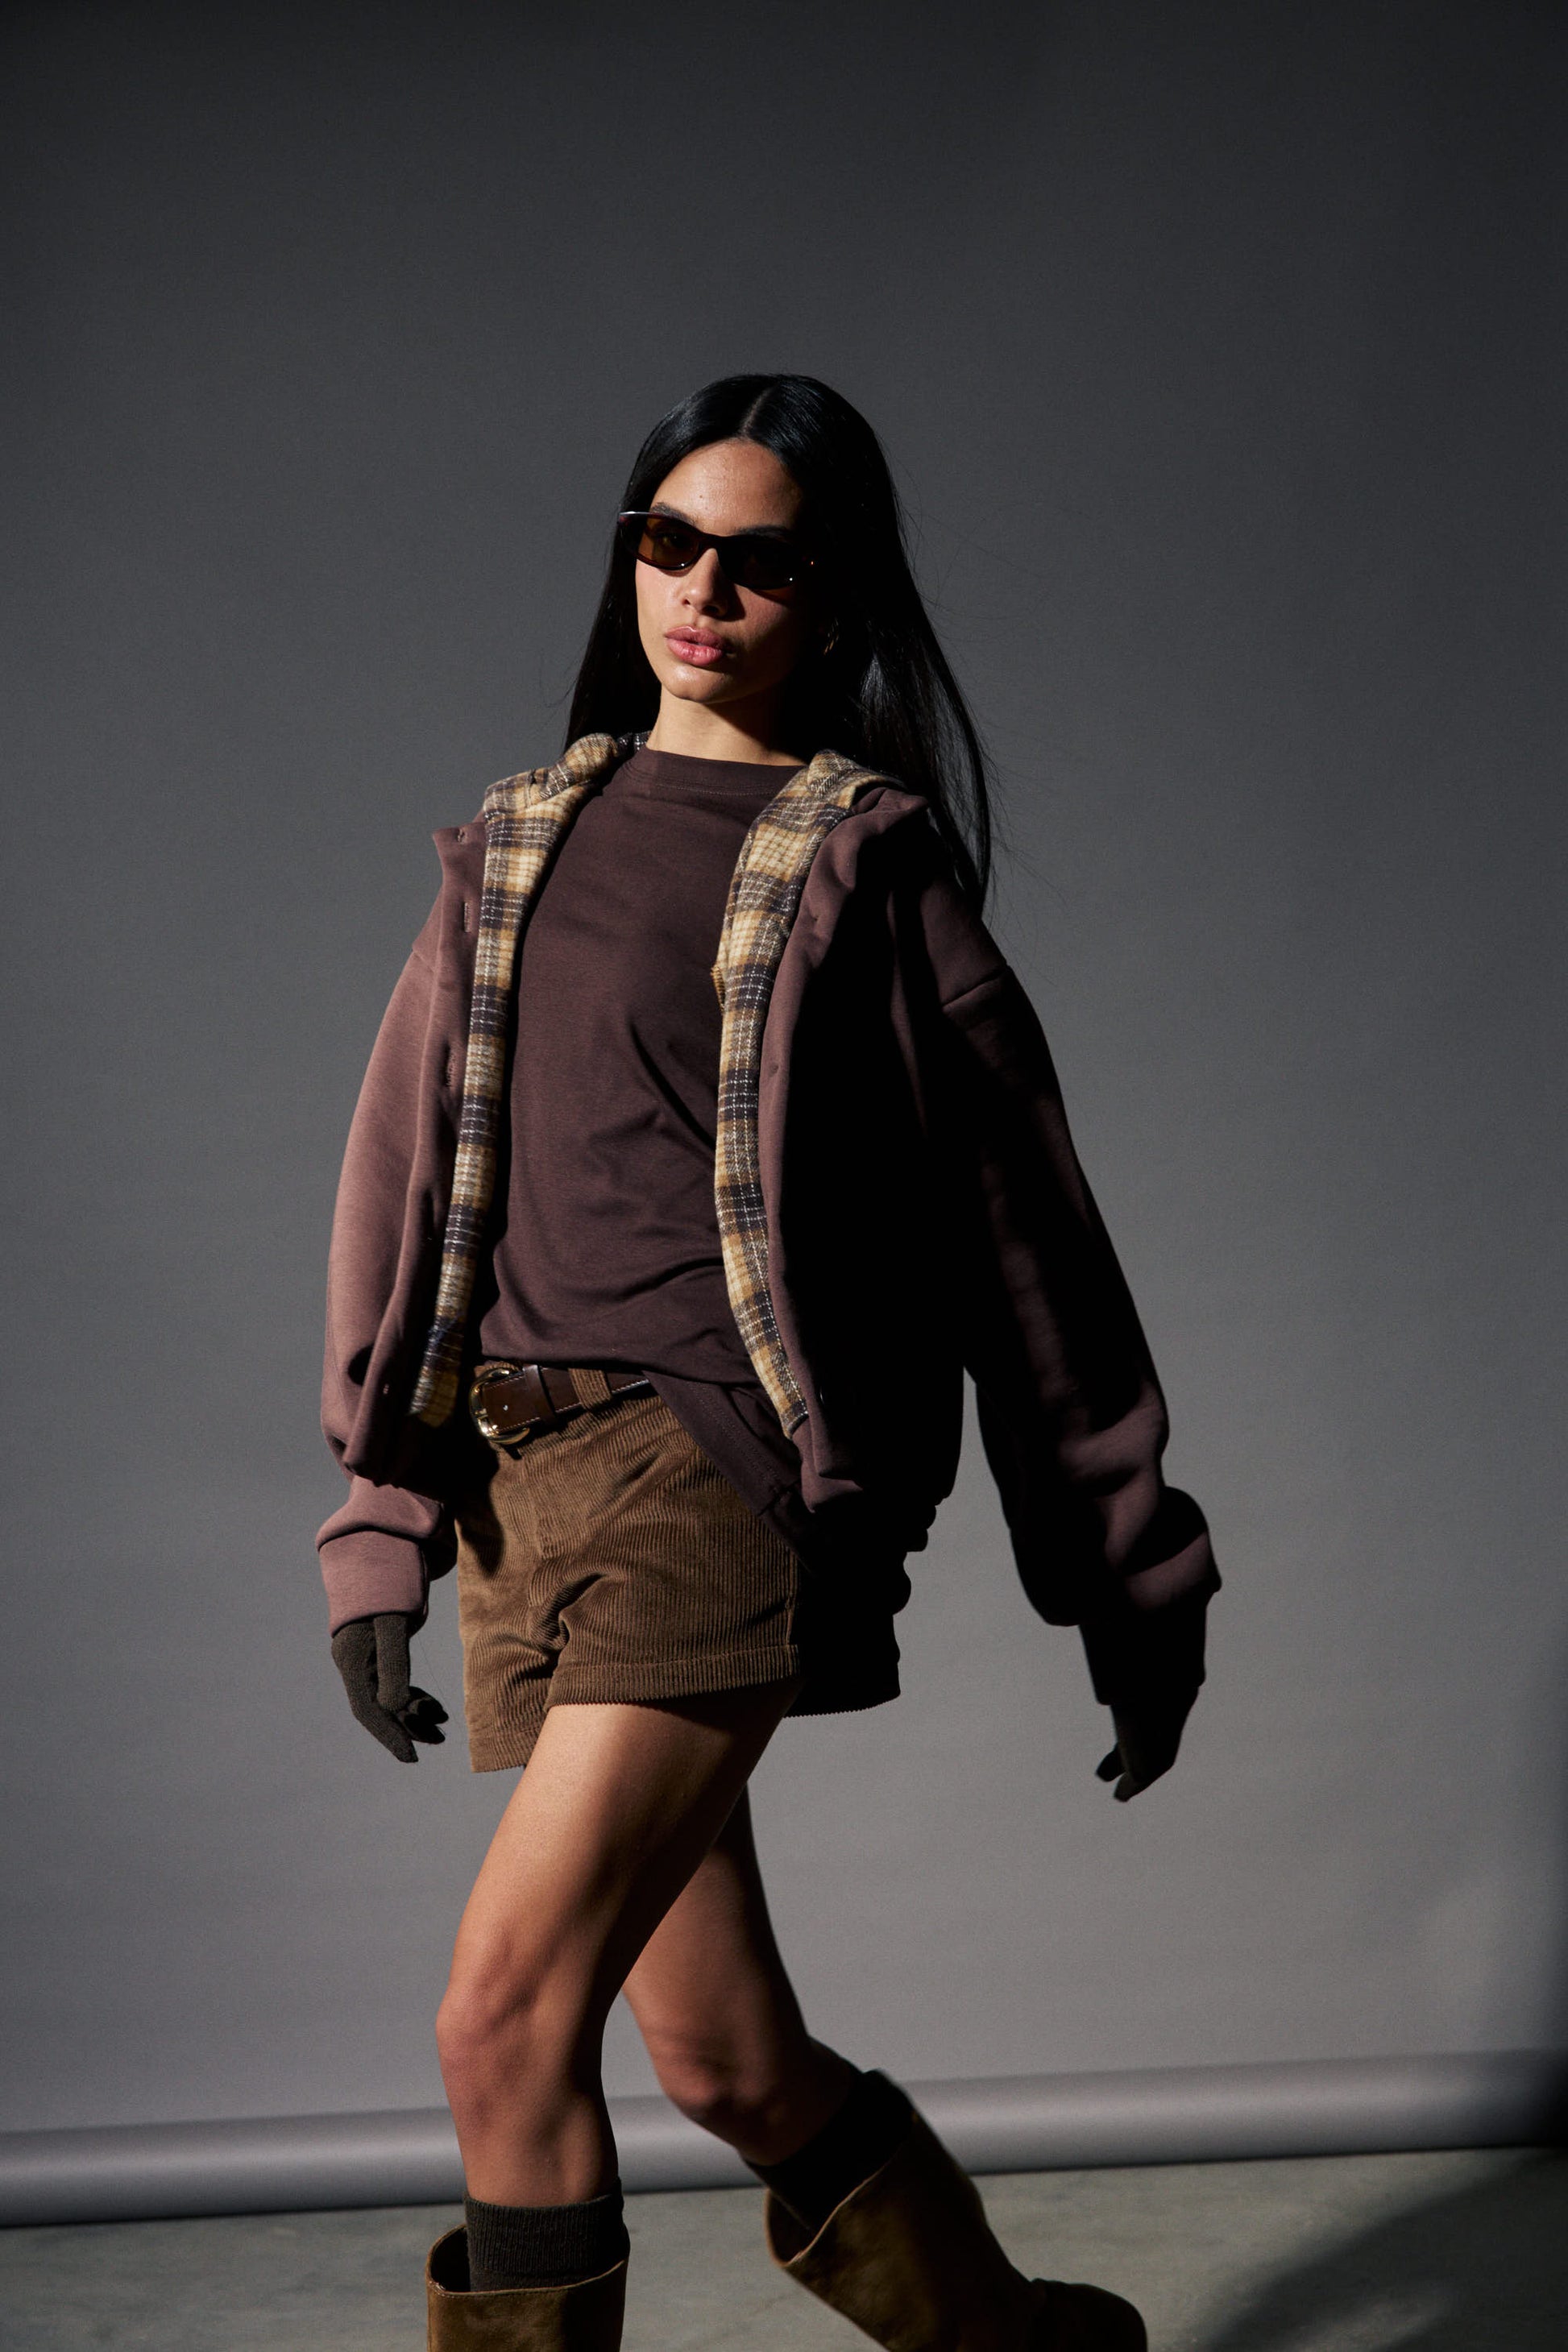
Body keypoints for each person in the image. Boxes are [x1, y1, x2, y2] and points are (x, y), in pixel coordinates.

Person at [318, 373, 1218, 2352]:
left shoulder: (861, 866)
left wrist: (1129, 1571)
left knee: (498, 2016)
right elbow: (405, 1196)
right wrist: (385, 1516)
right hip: (520, 1488)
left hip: (710, 1472)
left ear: (833, 601)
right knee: (724, 2054)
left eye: (761, 562)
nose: (703, 591)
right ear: (628, 556)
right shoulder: (514, 844)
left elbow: (1025, 1244)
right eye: (670, 542)